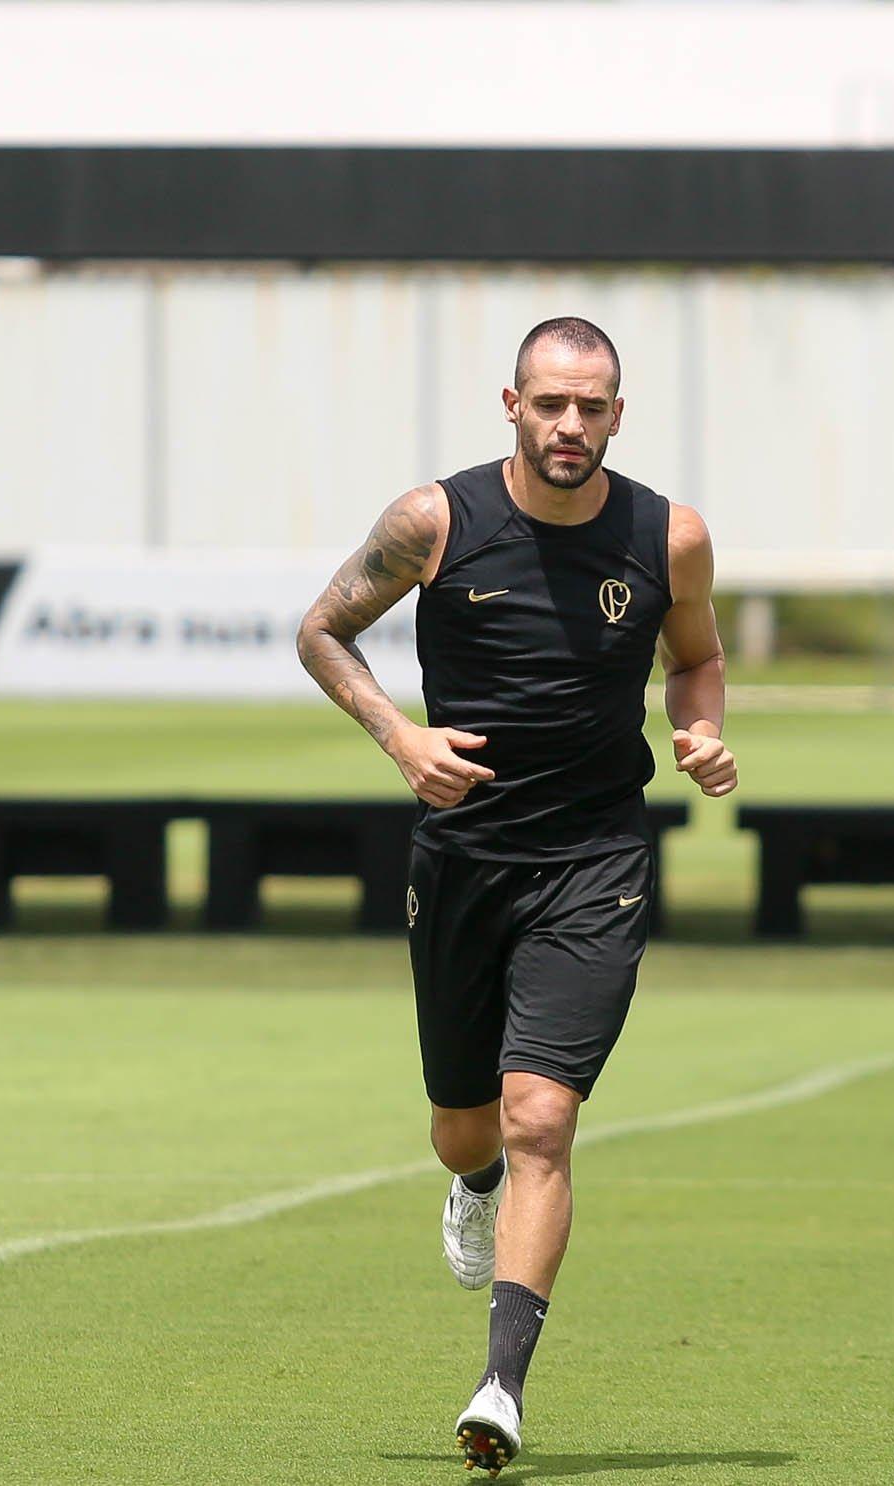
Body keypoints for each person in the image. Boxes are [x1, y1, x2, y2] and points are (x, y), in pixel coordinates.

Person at [297, 316, 736, 1475]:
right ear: (510, 404)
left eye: (591, 407)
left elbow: (693, 654)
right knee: (465, 1127)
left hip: (595, 862)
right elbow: (322, 631)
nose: (569, 426)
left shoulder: (666, 535)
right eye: (550, 404)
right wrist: (399, 737)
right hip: (462, 857)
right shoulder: (432, 522)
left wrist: (698, 726)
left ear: (617, 414)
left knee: (542, 1115)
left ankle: (499, 1385)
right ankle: (471, 1182)